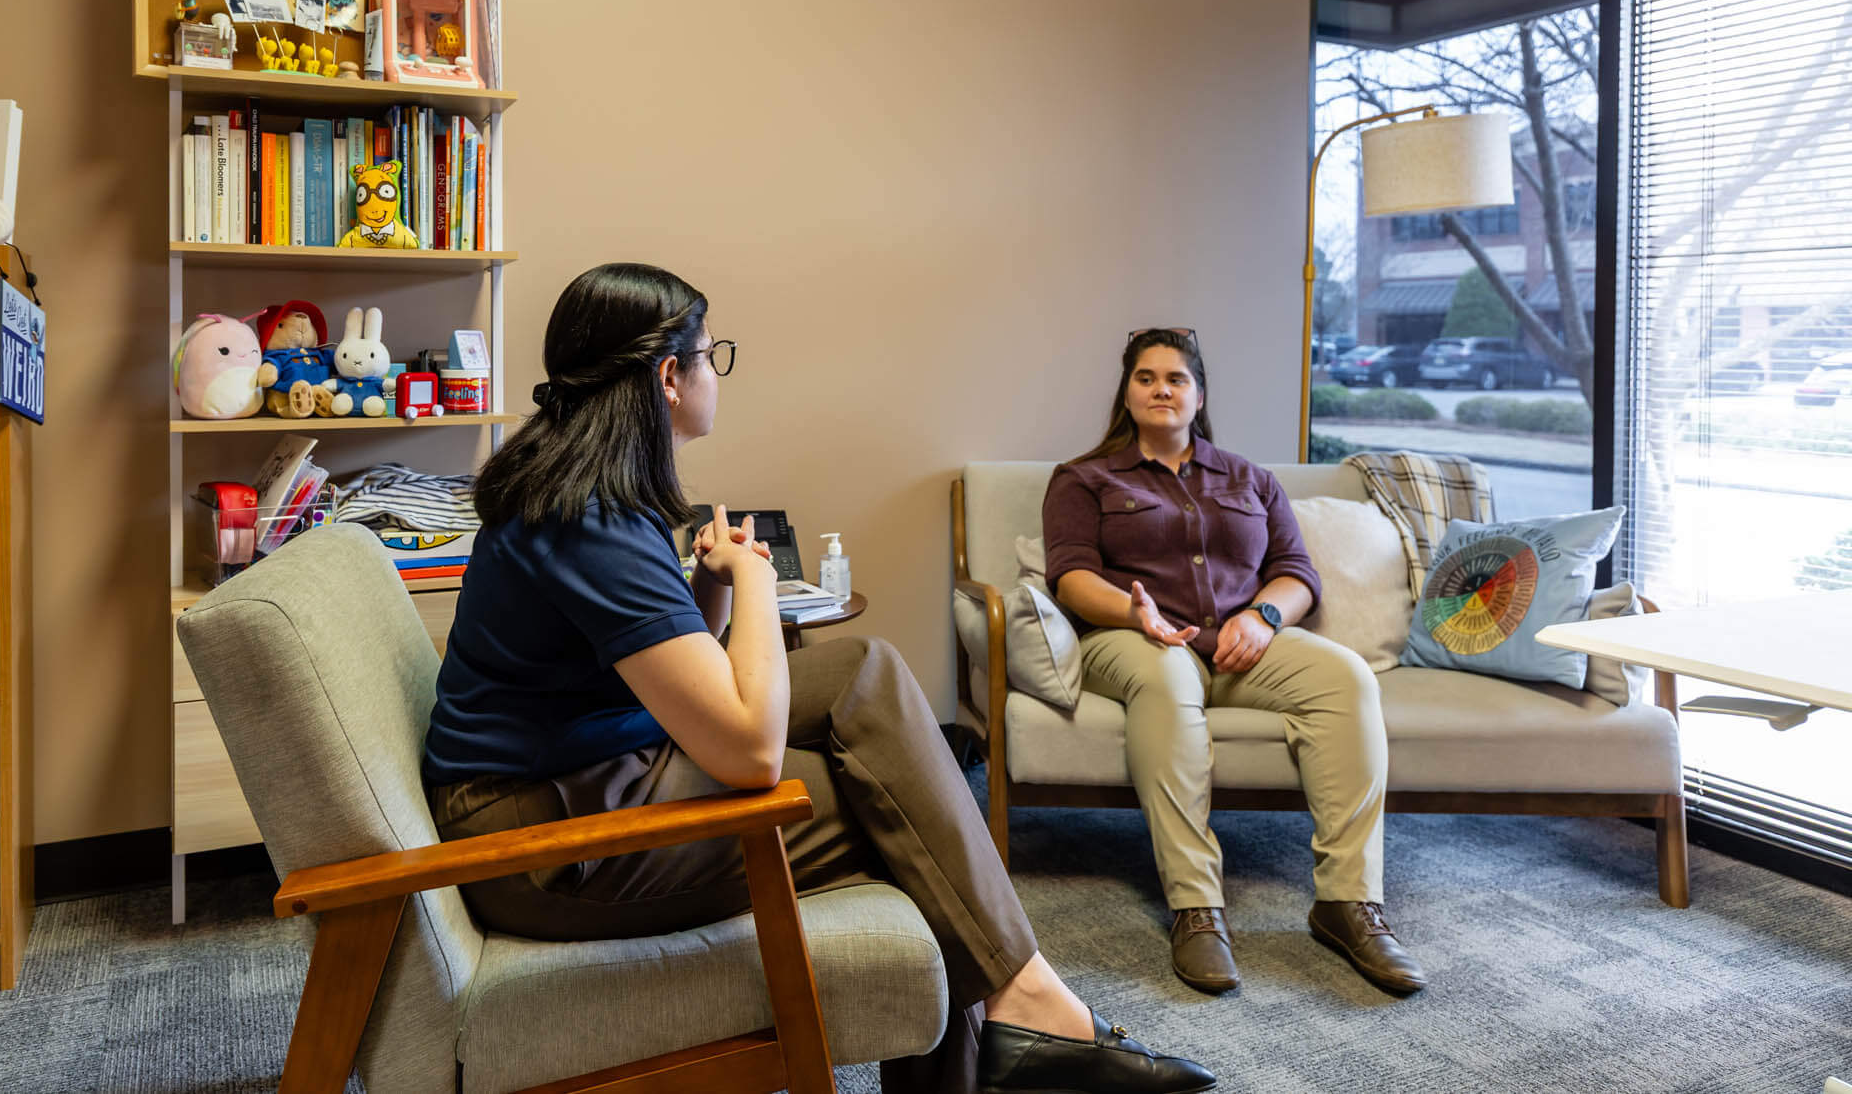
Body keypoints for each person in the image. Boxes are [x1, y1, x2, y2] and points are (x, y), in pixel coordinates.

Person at [423, 265, 1216, 1094]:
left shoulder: (585, 489)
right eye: (709, 355)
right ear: (668, 376)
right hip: (543, 844)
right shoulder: (590, 518)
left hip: (589, 771)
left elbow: (656, 663)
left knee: (866, 673)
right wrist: (760, 583)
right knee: (899, 813)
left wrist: (718, 586)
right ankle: (1030, 1009)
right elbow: (748, 750)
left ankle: (1025, 1007)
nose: (713, 372)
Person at [1042, 327, 1424, 998]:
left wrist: (1264, 614)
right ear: (1127, 394)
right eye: (1146, 377)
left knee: (1345, 677)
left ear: (1198, 395)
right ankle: (1196, 906)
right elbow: (1069, 577)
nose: (1162, 387)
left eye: (1176, 378)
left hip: (1242, 644)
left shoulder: (1251, 478)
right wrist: (1134, 613)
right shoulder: (1084, 478)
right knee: (1164, 677)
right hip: (1136, 638)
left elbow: (1297, 572)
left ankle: (1348, 903)